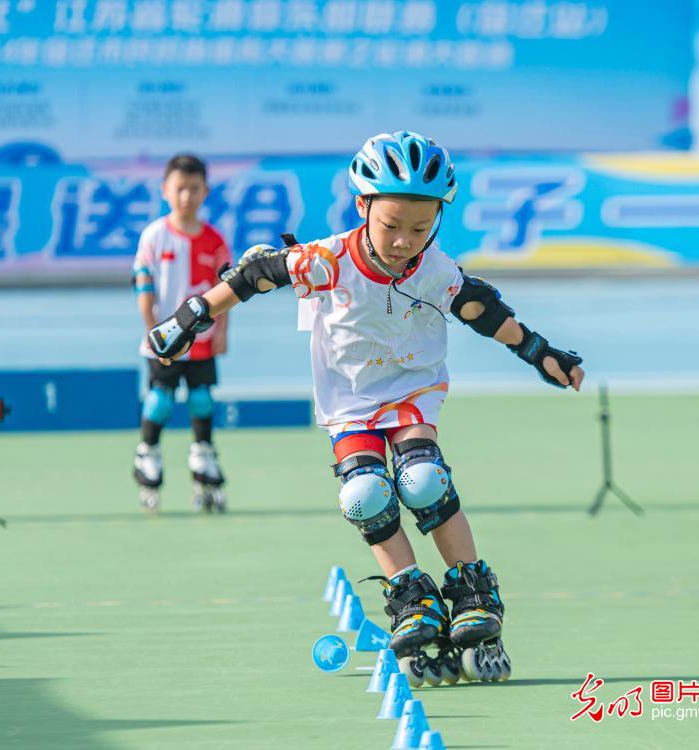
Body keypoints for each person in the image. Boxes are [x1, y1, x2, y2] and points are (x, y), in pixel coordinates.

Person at [146, 132, 585, 685]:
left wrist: (537, 350)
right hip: (349, 399)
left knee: (422, 479)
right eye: (392, 226)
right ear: (363, 207)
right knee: (363, 493)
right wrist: (190, 318)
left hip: (411, 388)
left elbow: (480, 308)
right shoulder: (328, 259)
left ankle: (472, 587)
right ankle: (409, 595)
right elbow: (256, 275)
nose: (405, 242)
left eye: (421, 229)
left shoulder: (434, 270)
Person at [131, 154, 232, 513]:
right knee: (160, 399)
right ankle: (148, 452)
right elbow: (144, 290)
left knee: (202, 399)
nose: (186, 196)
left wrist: (222, 331)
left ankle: (203, 454)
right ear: (165, 191)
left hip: (202, 341)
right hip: (164, 342)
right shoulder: (154, 237)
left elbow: (228, 290)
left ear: (205, 191)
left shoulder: (215, 241)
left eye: (194, 189)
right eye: (179, 189)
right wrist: (154, 335)